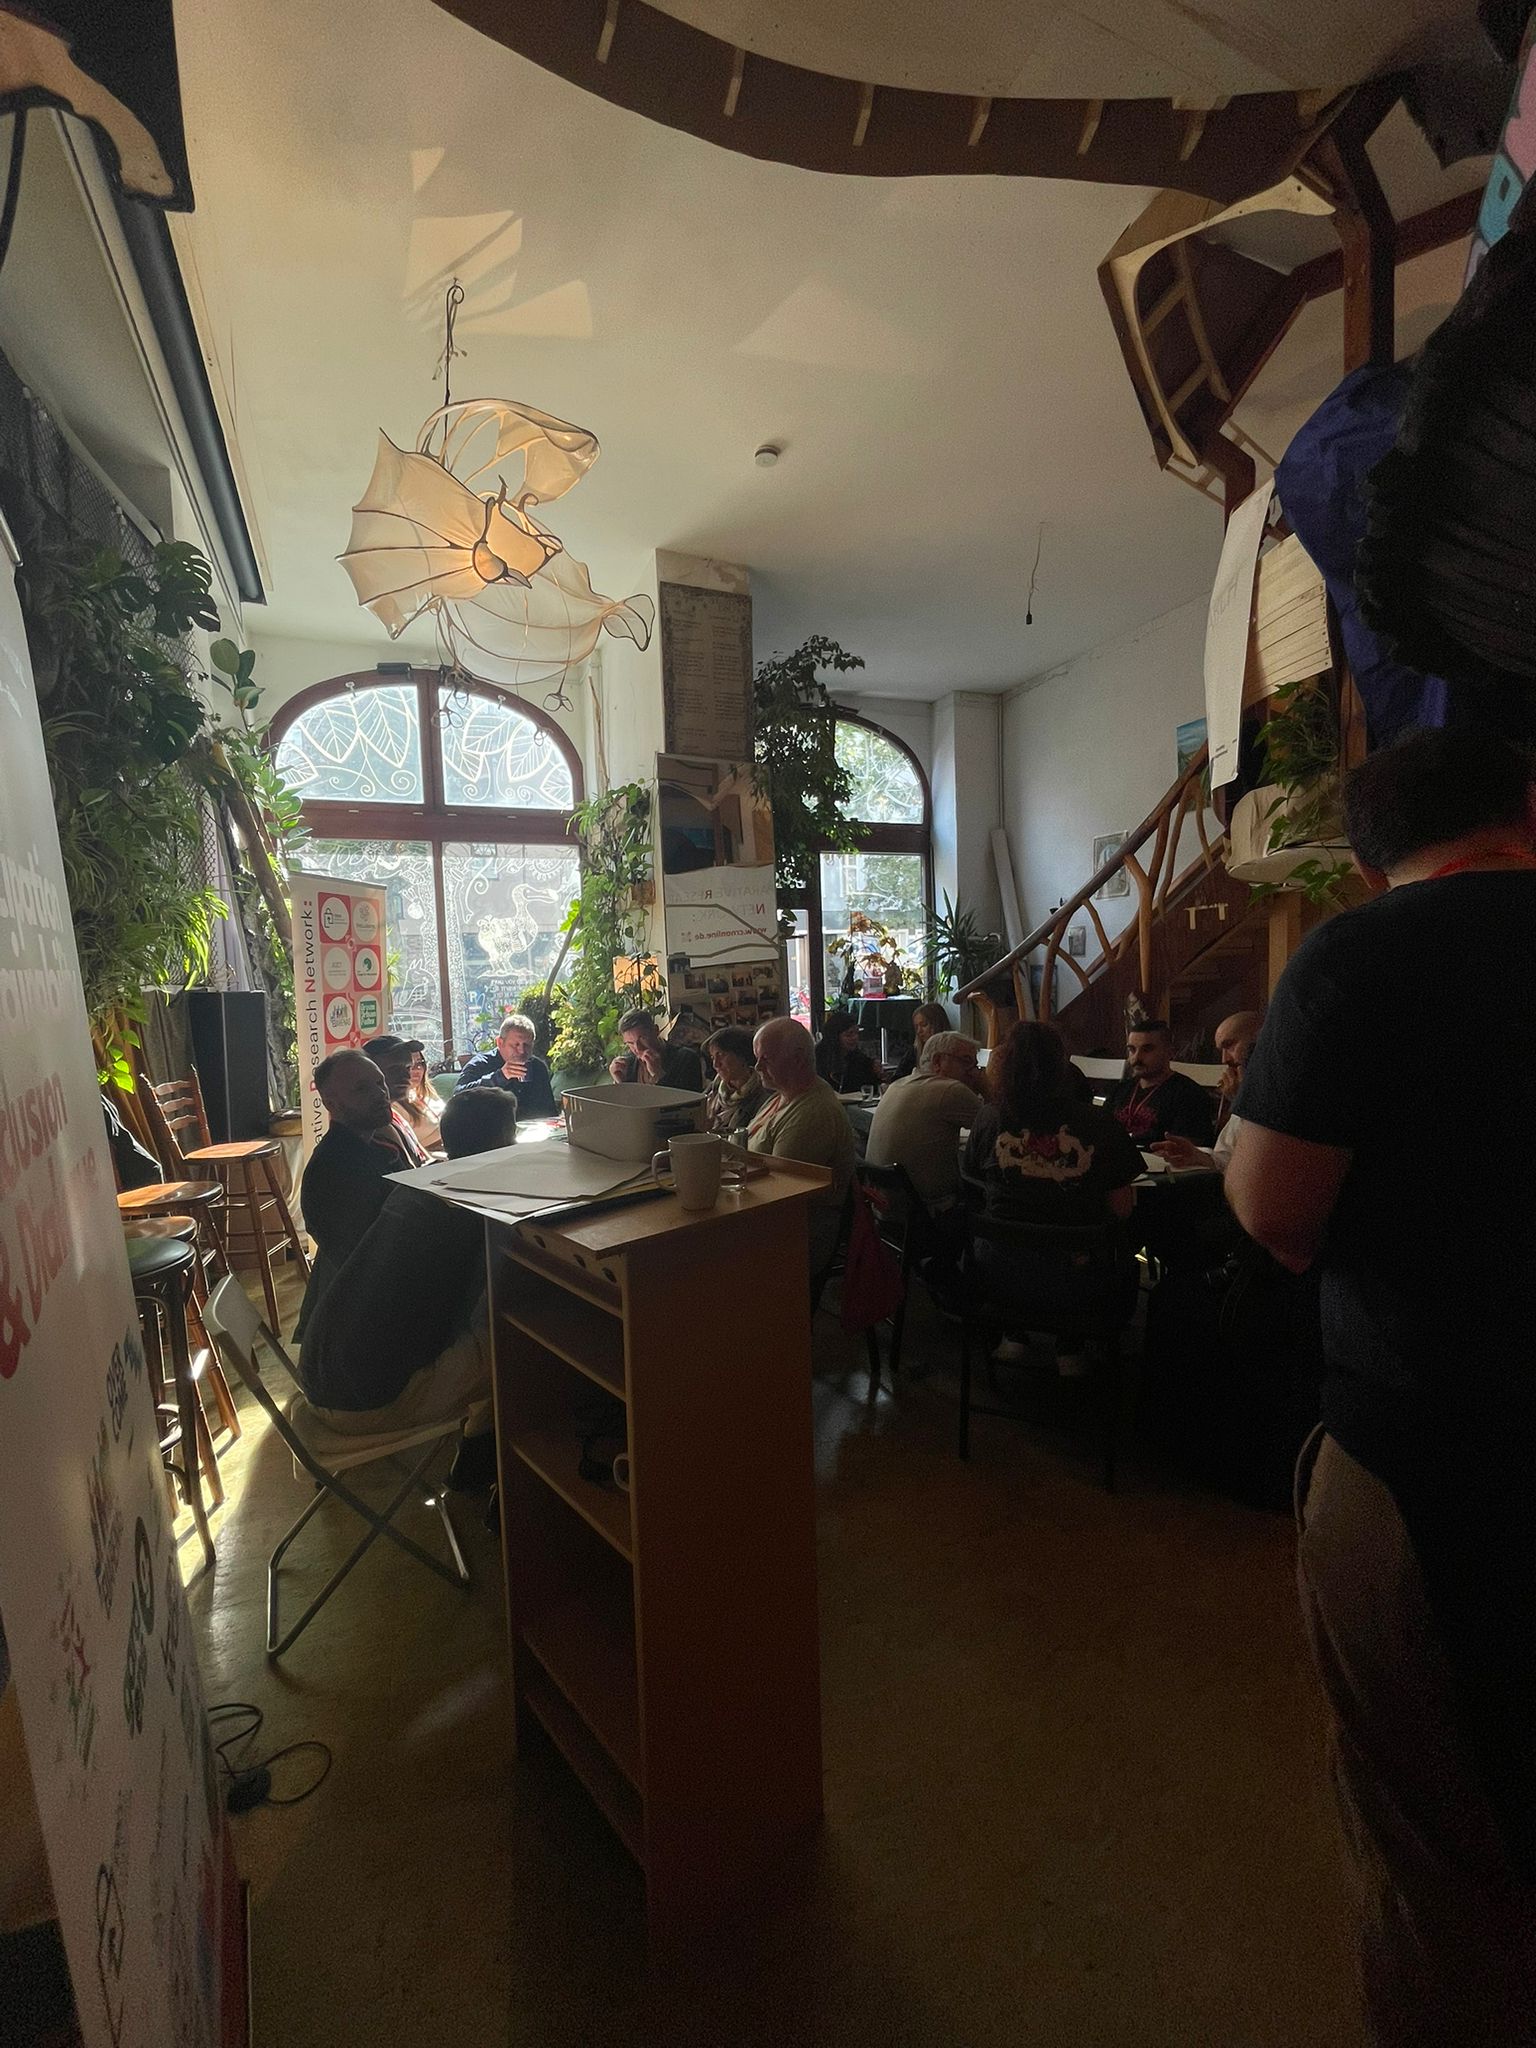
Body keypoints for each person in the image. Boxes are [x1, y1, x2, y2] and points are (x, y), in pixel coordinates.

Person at [1226, 727, 1536, 2043]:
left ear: (1364, 862)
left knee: (1433, 1832)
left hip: (1426, 1446)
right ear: (1527, 810)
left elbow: (1273, 1208)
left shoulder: (1360, 957)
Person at [298, 1088, 520, 1473]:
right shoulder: (478, 1212)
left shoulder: (416, 1190)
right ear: (503, 1142)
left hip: (322, 1377)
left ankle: (477, 1455)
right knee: (525, 1338)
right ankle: (489, 1468)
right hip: (369, 1405)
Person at [964, 1021, 1142, 1371]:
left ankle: (1014, 1335)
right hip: (1079, 1282)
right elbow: (1121, 1210)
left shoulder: (988, 1119)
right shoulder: (1100, 1123)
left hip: (998, 1276)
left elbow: (974, 1189)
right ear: (1063, 1066)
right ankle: (1070, 1345)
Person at [294, 1048, 428, 1334]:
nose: (380, 1094)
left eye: (380, 1083)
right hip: (373, 1323)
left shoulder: (373, 1147)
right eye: (362, 1089)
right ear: (332, 1104)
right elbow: (376, 1263)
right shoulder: (332, 1171)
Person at [741, 1016, 855, 1275]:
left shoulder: (812, 1113)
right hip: (768, 1225)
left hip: (794, 1240)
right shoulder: (780, 1097)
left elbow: (781, 1192)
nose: (757, 1067)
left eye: (766, 1059)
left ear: (799, 1059)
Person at [865, 1030, 985, 1212]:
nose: (973, 1072)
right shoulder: (951, 1089)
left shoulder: (897, 1085)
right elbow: (998, 1129)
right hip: (928, 1212)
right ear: (938, 1062)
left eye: (976, 1065)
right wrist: (986, 1085)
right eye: (966, 1062)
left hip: (882, 1210)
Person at [1149, 1010, 1263, 1174]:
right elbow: (1227, 1158)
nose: (1224, 1059)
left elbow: (1263, 1163)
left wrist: (1243, 1103)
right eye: (1221, 1050)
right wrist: (1196, 1155)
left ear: (1262, 1040)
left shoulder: (1286, 1090)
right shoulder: (1248, 1088)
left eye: (1230, 1045)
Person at [1103, 1020, 1215, 1148]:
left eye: (1147, 1049)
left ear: (1170, 1052)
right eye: (1132, 1050)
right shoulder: (1120, 1090)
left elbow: (1186, 1149)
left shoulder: (1190, 1094)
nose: (1136, 1058)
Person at [457, 1012, 559, 1117]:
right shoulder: (482, 1064)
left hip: (531, 1125)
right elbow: (458, 1097)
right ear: (500, 1043)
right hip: (490, 1125)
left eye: (527, 1045)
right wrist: (500, 1077)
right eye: (516, 1045)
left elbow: (549, 1111)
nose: (522, 1051)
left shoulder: (537, 1067)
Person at [362, 1033, 443, 1154]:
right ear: (371, 1071)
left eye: (408, 1067)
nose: (407, 1076)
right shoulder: (371, 1127)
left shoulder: (394, 1116)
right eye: (394, 1069)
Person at [607, 1008, 704, 1091]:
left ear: (656, 1031)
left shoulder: (686, 1058)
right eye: (630, 1043)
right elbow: (628, 1102)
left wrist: (659, 1076)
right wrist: (619, 1083)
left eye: (642, 1038)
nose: (638, 1048)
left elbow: (689, 1102)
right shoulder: (629, 1065)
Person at [701, 1026, 767, 1137]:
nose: (716, 1064)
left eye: (721, 1055)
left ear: (742, 1056)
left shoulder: (762, 1095)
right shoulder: (714, 1089)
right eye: (713, 1057)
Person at [815, 1007, 880, 1094]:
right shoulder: (819, 1056)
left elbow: (870, 1086)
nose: (855, 1038)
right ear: (835, 1036)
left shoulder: (857, 1057)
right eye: (849, 1034)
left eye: (857, 1033)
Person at [886, 1001, 951, 1082]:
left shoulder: (952, 1051)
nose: (919, 1031)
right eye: (916, 1027)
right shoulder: (914, 1052)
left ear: (937, 1024)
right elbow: (897, 1079)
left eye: (924, 1025)